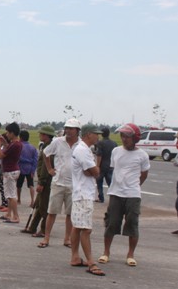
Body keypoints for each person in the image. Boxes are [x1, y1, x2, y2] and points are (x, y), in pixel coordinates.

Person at [98, 123, 150, 267]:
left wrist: (135, 186)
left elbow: (144, 174)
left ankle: (130, 254)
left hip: (133, 194)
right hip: (116, 193)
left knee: (132, 223)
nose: (124, 139)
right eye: (122, 136)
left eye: (127, 136)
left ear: (135, 138)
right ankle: (106, 252)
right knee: (111, 223)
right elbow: (115, 169)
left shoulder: (142, 155)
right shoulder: (116, 151)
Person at [38, 118, 81, 248]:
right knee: (52, 212)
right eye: (66, 128)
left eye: (71, 128)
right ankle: (46, 238)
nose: (67, 131)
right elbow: (46, 153)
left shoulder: (81, 145)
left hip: (73, 184)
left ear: (77, 130)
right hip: (58, 182)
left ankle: (67, 239)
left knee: (70, 214)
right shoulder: (57, 142)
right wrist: (50, 169)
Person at [70, 124, 105, 276]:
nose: (98, 137)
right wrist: (94, 168)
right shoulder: (83, 150)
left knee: (77, 227)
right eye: (96, 134)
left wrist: (91, 170)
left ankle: (75, 257)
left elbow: (91, 171)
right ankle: (91, 262)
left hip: (81, 192)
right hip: (84, 194)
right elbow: (96, 171)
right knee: (86, 229)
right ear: (89, 134)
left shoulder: (82, 149)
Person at [22, 125, 55, 237]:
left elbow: (46, 167)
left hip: (46, 181)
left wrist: (41, 182)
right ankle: (32, 227)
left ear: (46, 135)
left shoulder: (49, 148)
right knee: (38, 205)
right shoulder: (45, 146)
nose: (39, 135)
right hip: (44, 179)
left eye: (41, 134)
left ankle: (44, 230)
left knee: (43, 206)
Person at [0, 122, 23, 223]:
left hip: (10, 171)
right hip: (12, 170)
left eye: (8, 132)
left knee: (11, 195)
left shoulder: (15, 144)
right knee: (9, 194)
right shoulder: (16, 144)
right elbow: (8, 150)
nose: (6, 135)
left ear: (12, 133)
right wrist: (4, 143)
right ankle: (9, 214)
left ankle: (16, 216)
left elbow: (0, 155)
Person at [95, 127, 117, 203]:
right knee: (110, 183)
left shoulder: (100, 143)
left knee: (99, 182)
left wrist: (97, 166)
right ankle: (114, 198)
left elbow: (99, 155)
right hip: (111, 165)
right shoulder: (114, 143)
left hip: (102, 165)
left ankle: (101, 197)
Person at [17, 130, 38, 207]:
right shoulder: (33, 147)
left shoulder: (19, 146)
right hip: (30, 167)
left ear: (21, 137)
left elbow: (17, 158)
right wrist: (33, 170)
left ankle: (19, 199)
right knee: (31, 185)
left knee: (19, 185)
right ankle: (32, 200)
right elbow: (36, 160)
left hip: (20, 167)